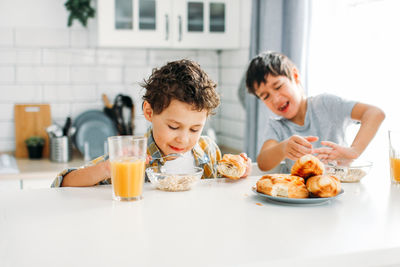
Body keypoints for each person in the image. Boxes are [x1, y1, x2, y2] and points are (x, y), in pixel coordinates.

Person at [52, 59, 251, 187]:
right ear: (149, 111)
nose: (183, 139)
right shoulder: (132, 156)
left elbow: (217, 192)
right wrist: (106, 169)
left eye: (195, 129)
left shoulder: (207, 149)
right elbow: (62, 184)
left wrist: (236, 175)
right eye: (173, 126)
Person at [245, 51, 385, 172]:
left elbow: (374, 113)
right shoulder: (277, 126)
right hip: (298, 196)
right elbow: (263, 163)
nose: (275, 99)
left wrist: (354, 151)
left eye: (278, 86)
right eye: (265, 96)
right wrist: (283, 149)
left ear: (295, 76)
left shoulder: (326, 104)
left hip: (338, 189)